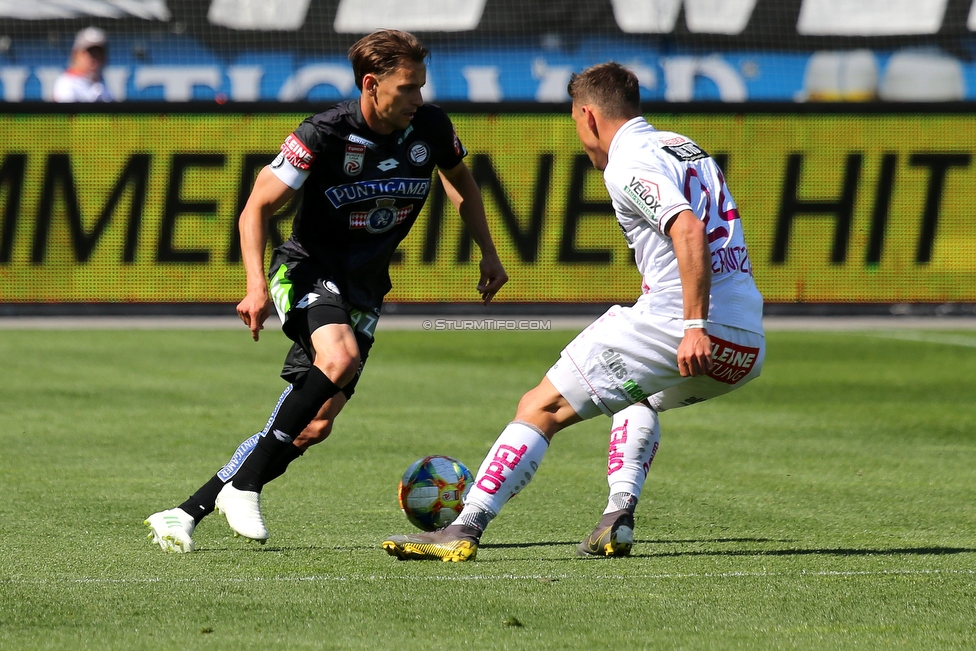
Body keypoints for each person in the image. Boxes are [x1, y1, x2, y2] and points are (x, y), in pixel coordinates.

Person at [381, 61, 765, 562]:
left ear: (587, 116)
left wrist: (693, 326)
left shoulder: (629, 162)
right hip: (745, 341)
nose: (580, 139)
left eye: (573, 122)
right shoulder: (682, 146)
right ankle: (616, 518)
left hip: (682, 325)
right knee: (639, 398)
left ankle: (464, 527)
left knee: (539, 407)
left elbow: (688, 230)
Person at [145, 29, 508, 553]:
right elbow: (256, 208)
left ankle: (186, 510)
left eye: (421, 86)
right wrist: (254, 286)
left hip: (365, 290)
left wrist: (489, 251)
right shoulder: (324, 133)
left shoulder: (430, 126)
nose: (418, 98)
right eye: (407, 87)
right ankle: (244, 486)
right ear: (371, 84)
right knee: (337, 359)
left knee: (313, 425)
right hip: (307, 271)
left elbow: (461, 181)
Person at [52, 27, 113, 102]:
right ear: (76, 54)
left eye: (98, 53)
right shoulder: (66, 84)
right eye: (90, 53)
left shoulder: (101, 82)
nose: (94, 58)